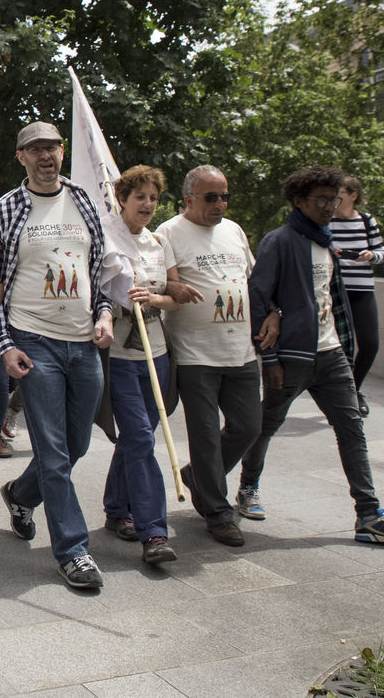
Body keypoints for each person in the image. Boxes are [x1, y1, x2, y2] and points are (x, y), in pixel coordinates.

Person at [238, 167, 384, 545]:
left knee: (351, 429)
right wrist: (269, 358)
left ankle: (369, 515)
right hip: (292, 356)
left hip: (332, 352)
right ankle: (246, 487)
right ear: (299, 201)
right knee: (267, 424)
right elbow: (258, 297)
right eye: (322, 200)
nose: (330, 206)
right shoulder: (279, 241)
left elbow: (326, 297)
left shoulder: (326, 241)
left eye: (334, 199)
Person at [0, 122, 114, 589]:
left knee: (76, 445)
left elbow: (99, 275)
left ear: (61, 151)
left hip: (84, 343)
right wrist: (5, 346)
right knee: (54, 452)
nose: (45, 156)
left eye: (52, 147)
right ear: (21, 157)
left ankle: (20, 493)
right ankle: (73, 552)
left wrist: (104, 314)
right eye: (35, 149)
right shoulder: (5, 210)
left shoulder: (84, 202)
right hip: (34, 342)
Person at [155, 165, 261, 547]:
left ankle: (198, 476)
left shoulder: (234, 231)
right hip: (195, 354)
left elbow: (252, 279)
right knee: (205, 438)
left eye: (224, 196)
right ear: (188, 199)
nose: (220, 204)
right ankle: (217, 513)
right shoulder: (168, 232)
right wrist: (173, 287)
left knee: (249, 427)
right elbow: (157, 281)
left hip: (241, 351)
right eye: (211, 197)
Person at [100, 166, 179, 565]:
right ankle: (154, 532)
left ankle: (117, 508)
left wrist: (155, 299)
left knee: (136, 439)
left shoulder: (158, 243)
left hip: (157, 353)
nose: (147, 204)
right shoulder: (106, 238)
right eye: (140, 197)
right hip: (120, 356)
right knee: (142, 438)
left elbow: (173, 296)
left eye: (153, 198)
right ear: (122, 199)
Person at [331, 175, 384, 417]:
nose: (335, 198)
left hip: (363, 289)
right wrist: (330, 251)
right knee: (341, 347)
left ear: (353, 195)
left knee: (370, 344)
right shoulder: (327, 221)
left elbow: (381, 252)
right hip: (336, 291)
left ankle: (354, 389)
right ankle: (343, 395)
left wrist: (371, 255)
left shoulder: (366, 220)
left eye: (340, 193)